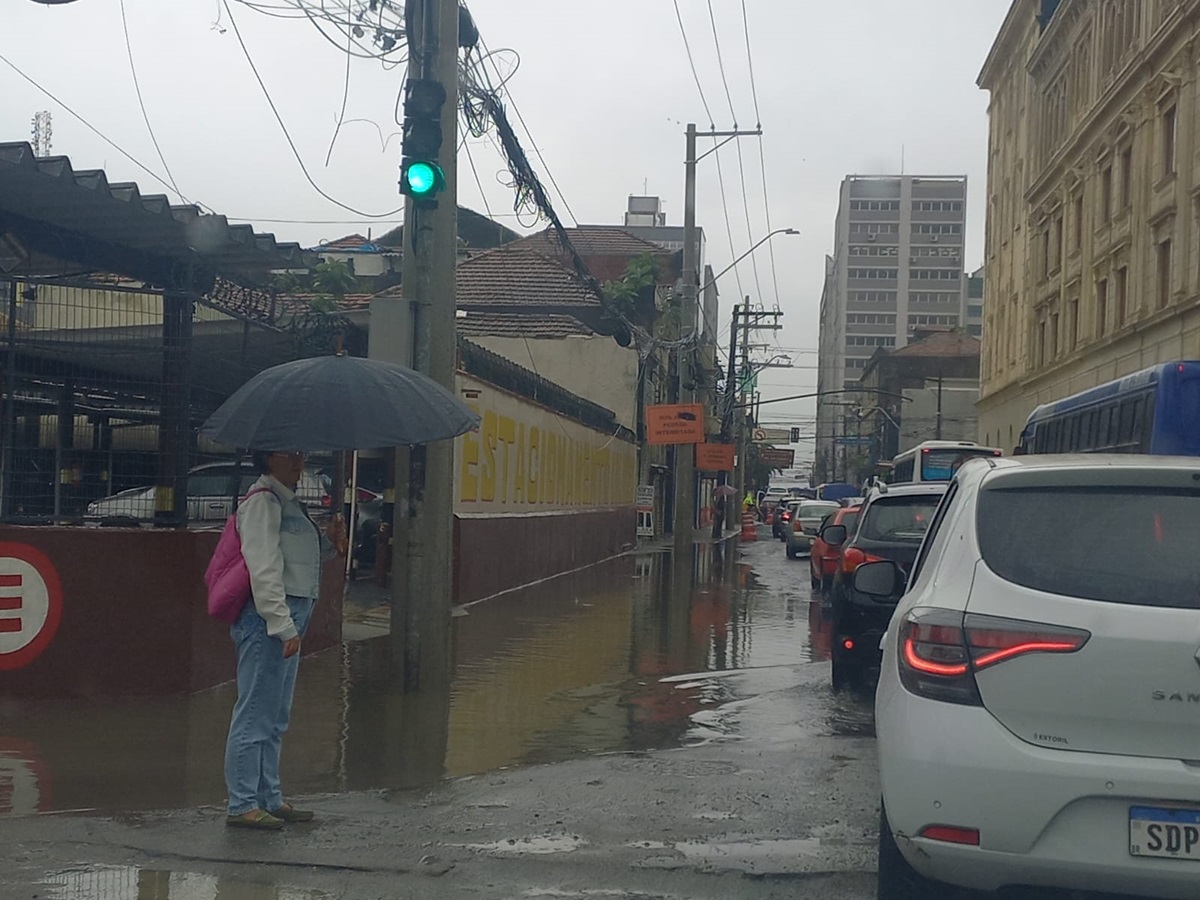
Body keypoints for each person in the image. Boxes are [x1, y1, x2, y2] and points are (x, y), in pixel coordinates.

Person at [224, 450, 345, 830]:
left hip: (287, 617)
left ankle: (269, 797)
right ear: (269, 459)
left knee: (274, 715)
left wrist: (328, 543)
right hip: (269, 620)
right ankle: (243, 803)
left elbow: (294, 562)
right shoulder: (262, 503)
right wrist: (281, 624)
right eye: (290, 455)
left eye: (300, 454)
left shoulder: (287, 503)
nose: (299, 461)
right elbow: (263, 568)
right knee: (255, 712)